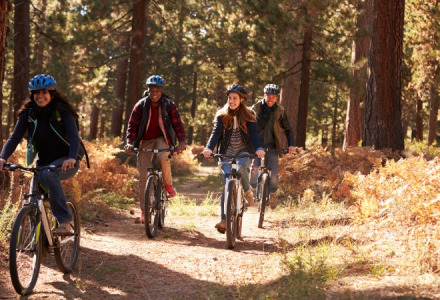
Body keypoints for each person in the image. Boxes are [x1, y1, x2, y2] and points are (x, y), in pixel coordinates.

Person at [0, 74, 84, 236]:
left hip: (67, 159)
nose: (40, 96)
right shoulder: (28, 113)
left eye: (44, 92)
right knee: (33, 199)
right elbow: (14, 137)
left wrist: (72, 157)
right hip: (44, 161)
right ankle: (37, 242)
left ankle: (65, 221)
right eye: (36, 93)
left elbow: (74, 136)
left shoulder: (62, 111)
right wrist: (3, 157)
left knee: (49, 175)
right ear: (32, 95)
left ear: (51, 93)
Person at [202, 84, 265, 233]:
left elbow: (254, 134)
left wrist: (259, 148)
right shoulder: (222, 115)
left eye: (235, 98)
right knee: (227, 183)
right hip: (226, 152)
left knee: (242, 166)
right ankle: (224, 219)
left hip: (244, 151)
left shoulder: (249, 114)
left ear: (242, 99)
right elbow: (216, 133)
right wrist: (209, 148)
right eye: (229, 98)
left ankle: (247, 191)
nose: (231, 101)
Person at [125, 75, 186, 224]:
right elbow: (132, 126)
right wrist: (130, 142)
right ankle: (145, 212)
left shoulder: (168, 105)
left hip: (162, 138)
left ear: (161, 91)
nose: (154, 93)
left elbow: (177, 124)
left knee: (162, 157)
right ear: (148, 91)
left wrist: (181, 141)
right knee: (144, 176)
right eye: (152, 90)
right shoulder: (140, 105)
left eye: (157, 90)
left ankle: (167, 184)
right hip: (144, 140)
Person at [250, 84, 296, 209]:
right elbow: (247, 124)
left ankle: (272, 193)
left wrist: (291, 144)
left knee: (274, 175)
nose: (270, 99)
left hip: (272, 146)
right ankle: (251, 191)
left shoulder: (280, 110)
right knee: (254, 169)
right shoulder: (256, 108)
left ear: (277, 98)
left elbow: (287, 129)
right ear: (264, 95)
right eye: (268, 96)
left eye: (273, 97)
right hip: (257, 145)